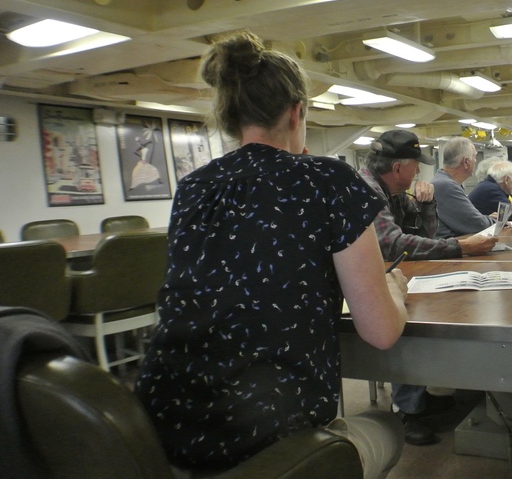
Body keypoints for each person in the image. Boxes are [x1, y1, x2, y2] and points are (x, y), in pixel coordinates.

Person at [135, 31, 407, 478]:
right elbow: (380, 332)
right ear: (297, 111)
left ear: (230, 115)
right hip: (269, 438)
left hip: (163, 430)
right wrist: (393, 289)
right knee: (385, 427)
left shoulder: (194, 187)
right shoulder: (329, 179)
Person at [359, 129, 497, 446]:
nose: (419, 172)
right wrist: (459, 247)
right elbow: (392, 245)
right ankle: (407, 411)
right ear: (397, 169)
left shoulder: (392, 190)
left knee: (423, 305)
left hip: (386, 274)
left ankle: (416, 396)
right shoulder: (366, 191)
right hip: (355, 286)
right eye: (415, 165)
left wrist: (428, 205)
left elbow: (424, 234)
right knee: (407, 317)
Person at [432, 137, 494, 239]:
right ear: (466, 162)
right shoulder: (445, 185)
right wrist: (496, 222)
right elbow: (478, 225)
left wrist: (487, 219)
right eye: (475, 157)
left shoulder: (445, 182)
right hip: (449, 253)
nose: (475, 161)